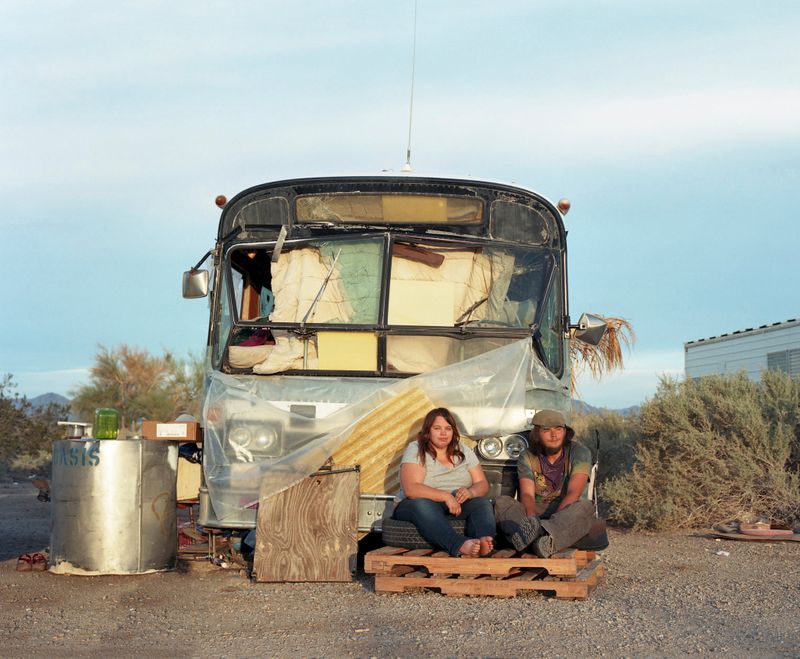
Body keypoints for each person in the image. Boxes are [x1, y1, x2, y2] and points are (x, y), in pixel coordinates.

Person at [494, 409, 604, 558]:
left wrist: (550, 526)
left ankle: (538, 539)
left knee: (585, 507)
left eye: (559, 429)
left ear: (565, 431)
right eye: (547, 430)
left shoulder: (579, 452)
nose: (554, 435)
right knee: (501, 503)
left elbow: (574, 493)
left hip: (565, 515)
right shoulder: (527, 456)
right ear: (537, 433)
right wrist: (532, 522)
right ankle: (539, 542)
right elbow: (527, 494)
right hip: (533, 515)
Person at [392, 407, 496, 557]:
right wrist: (446, 496)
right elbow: (411, 489)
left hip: (455, 505)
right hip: (416, 505)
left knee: (482, 502)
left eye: (448, 428)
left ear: (453, 431)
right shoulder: (416, 448)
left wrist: (470, 492)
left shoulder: (464, 450)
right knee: (422, 504)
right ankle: (459, 544)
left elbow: (482, 483)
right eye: (437, 428)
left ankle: (482, 541)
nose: (443, 433)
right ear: (428, 430)